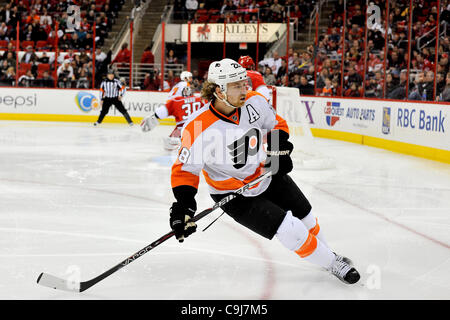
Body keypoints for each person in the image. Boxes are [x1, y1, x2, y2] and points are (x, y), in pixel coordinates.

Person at [168, 58, 360, 284]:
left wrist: (279, 152)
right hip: (234, 194)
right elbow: (184, 171)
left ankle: (328, 255)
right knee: (288, 227)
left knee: (306, 216)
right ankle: (332, 263)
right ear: (219, 90)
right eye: (237, 85)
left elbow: (277, 124)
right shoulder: (197, 126)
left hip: (266, 175)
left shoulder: (254, 102)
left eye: (244, 83)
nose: (244, 88)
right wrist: (184, 207)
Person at [141, 86, 206, 151]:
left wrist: (154, 116)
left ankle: (180, 143)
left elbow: (160, 113)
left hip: (183, 130)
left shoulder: (176, 101)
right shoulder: (200, 99)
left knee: (168, 144)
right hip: (200, 129)